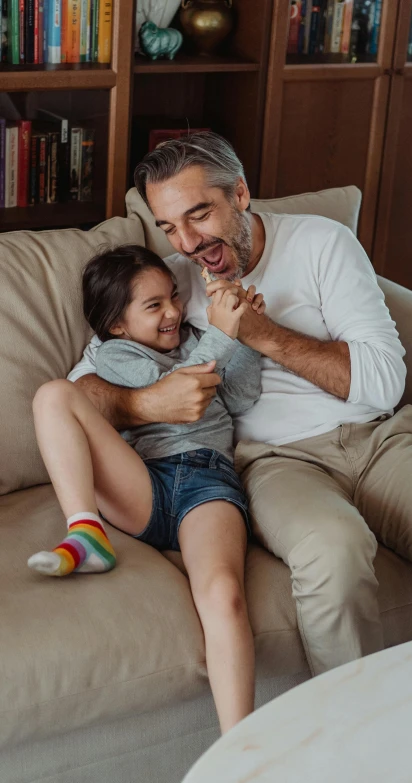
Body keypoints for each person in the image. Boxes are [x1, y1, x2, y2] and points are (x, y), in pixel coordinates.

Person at [68, 132, 412, 678]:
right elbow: (82, 388)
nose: (187, 242)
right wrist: (144, 402)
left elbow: (383, 382)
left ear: (239, 194)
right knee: (335, 554)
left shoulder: (322, 244)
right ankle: (347, 748)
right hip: (274, 461)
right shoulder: (170, 284)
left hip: (380, 441)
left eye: (199, 215)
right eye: (169, 227)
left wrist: (262, 334)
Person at [29, 244, 264, 733]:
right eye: (154, 306)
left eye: (174, 297)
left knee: (223, 593)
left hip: (209, 479)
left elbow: (242, 394)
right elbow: (183, 396)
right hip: (143, 481)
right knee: (54, 394)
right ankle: (86, 531)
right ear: (117, 324)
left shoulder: (200, 337)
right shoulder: (117, 355)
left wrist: (245, 336)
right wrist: (222, 335)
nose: (175, 312)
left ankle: (240, 753)